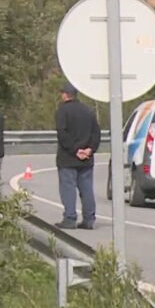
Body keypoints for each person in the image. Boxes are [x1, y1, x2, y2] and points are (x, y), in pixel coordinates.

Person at [55, 83, 100, 229]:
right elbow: (96, 133)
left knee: (68, 188)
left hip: (68, 158)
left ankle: (70, 217)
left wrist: (75, 150)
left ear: (65, 95)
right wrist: (90, 149)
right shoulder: (88, 111)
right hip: (86, 159)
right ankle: (89, 219)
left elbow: (62, 134)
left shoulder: (62, 111)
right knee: (86, 189)